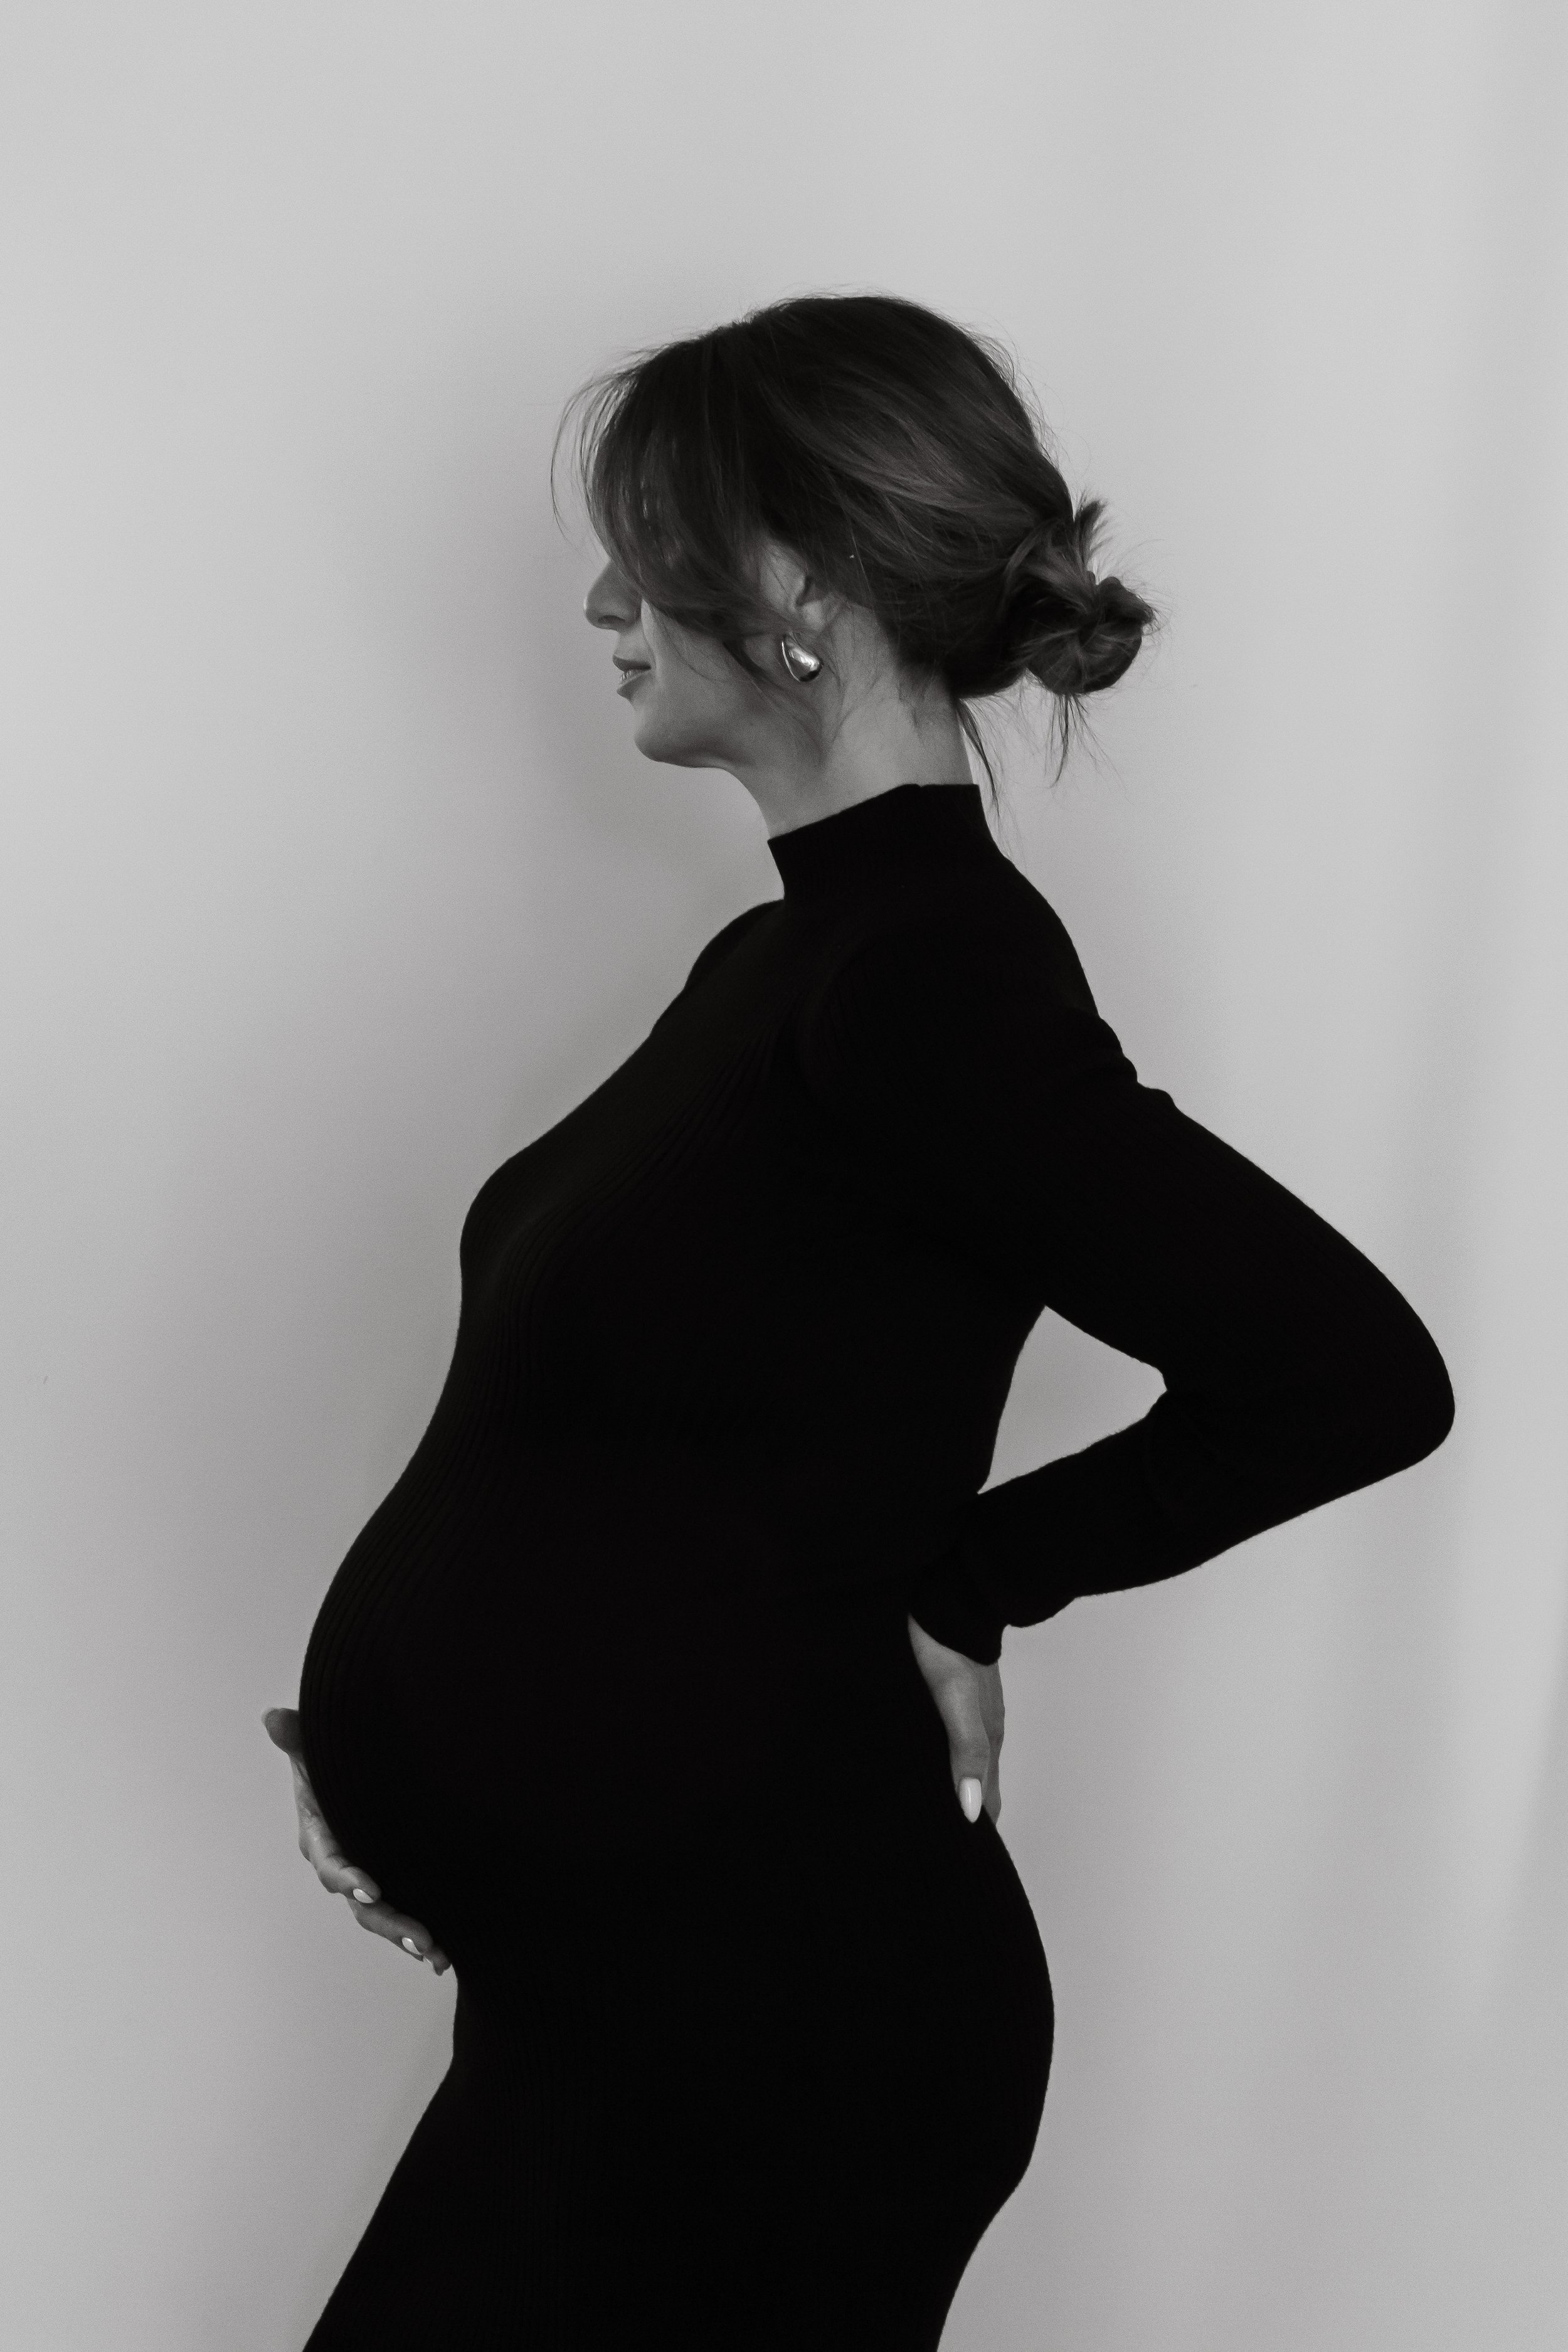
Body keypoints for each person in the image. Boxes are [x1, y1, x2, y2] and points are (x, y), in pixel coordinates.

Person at [265, 292, 1454, 2349]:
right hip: (624, 1996)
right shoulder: (789, 964)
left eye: (649, 544)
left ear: (796, 582)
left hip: (776, 2043)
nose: (600, 601)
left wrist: (974, 1581)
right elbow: (657, 1465)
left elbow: (1349, 1374)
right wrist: (424, 1766)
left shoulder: (924, 983)